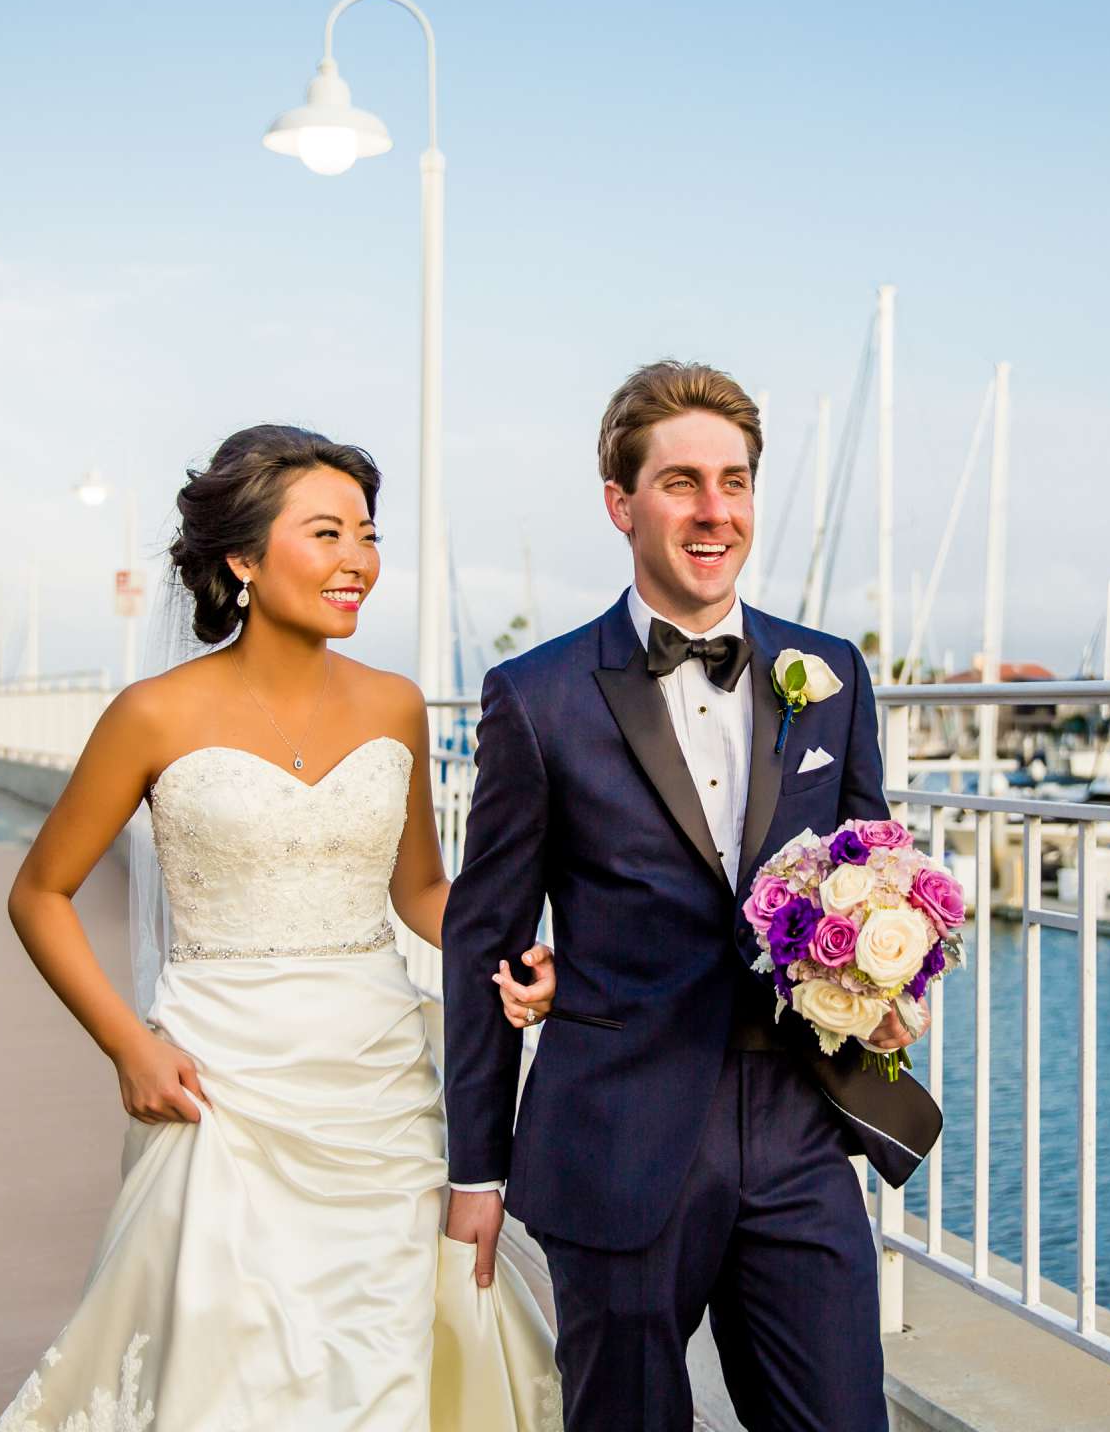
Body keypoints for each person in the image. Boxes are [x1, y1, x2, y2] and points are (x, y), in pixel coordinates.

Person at [0, 424, 562, 1432]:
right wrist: (129, 1042)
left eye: (368, 536)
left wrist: (516, 951)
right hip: (221, 1084)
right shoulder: (153, 714)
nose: (358, 562)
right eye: (327, 533)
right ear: (242, 560)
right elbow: (39, 891)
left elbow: (423, 891)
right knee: (231, 1364)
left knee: (384, 1352)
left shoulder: (395, 707)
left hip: (380, 1089)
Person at [442, 362, 943, 1432]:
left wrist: (895, 975)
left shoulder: (831, 674)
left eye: (736, 479)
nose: (715, 510)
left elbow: (877, 863)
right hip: (617, 1131)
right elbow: (481, 936)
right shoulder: (535, 697)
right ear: (622, 503)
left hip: (801, 1132)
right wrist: (475, 1169)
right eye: (681, 482)